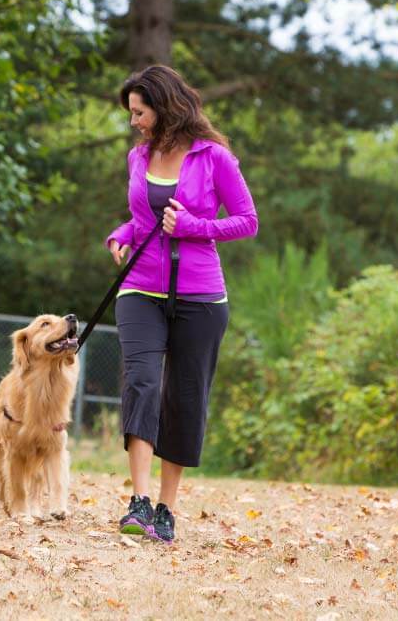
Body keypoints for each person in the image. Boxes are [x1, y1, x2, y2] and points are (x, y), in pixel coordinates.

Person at [105, 64, 258, 543]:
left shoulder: (214, 158)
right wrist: (119, 237)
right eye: (131, 112)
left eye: (139, 111)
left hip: (201, 296)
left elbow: (247, 221)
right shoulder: (138, 156)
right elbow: (139, 217)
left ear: (164, 106)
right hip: (141, 288)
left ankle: (167, 508)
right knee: (142, 383)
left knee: (184, 399)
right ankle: (139, 501)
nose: (134, 121)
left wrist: (197, 226)